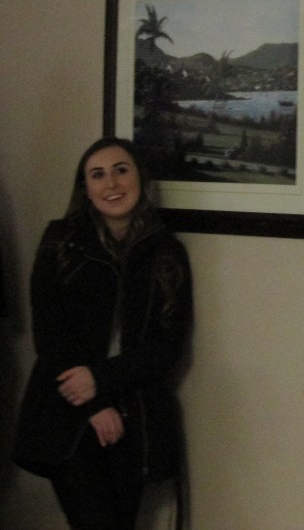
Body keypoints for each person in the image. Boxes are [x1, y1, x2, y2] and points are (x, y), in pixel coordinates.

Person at [13, 136, 193, 529]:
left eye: (120, 171)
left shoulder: (167, 254)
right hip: (67, 414)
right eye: (97, 175)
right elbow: (49, 335)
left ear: (140, 178)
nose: (111, 184)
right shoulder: (61, 242)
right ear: (85, 188)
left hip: (135, 416)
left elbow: (167, 346)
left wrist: (102, 379)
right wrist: (92, 404)